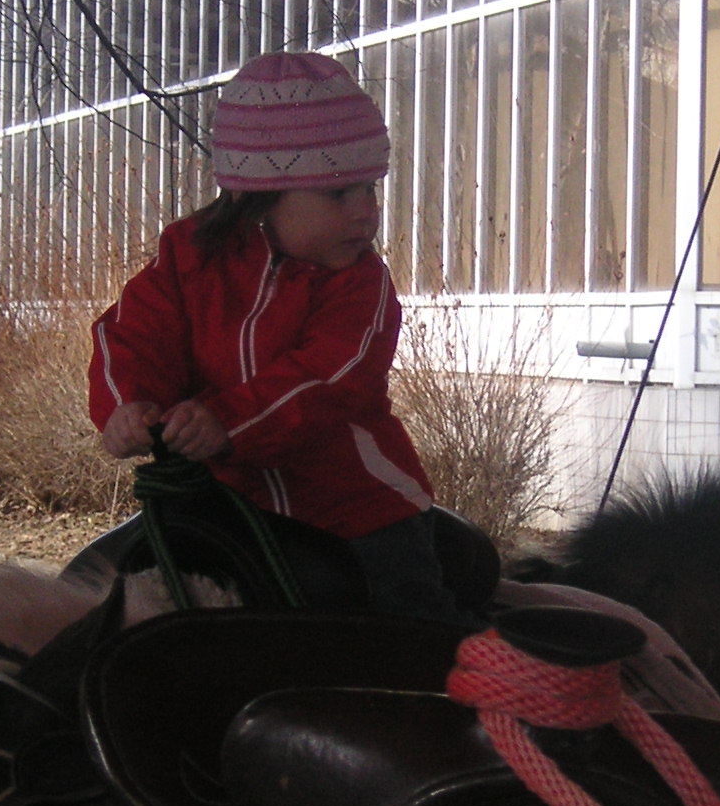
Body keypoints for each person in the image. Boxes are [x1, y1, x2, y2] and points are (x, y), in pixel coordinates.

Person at [87, 50, 457, 620]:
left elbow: (328, 379)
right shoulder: (187, 258)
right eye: (339, 194)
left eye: (370, 190)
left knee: (405, 626)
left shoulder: (361, 285)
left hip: (356, 508)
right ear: (256, 194)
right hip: (224, 502)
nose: (367, 212)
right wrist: (129, 406)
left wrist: (227, 422)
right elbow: (133, 334)